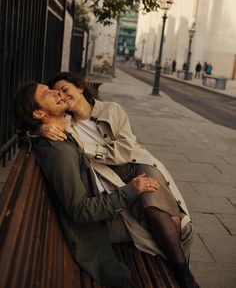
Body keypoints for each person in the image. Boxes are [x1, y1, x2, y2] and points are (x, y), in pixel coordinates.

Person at [41, 72, 199, 288]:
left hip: (137, 166)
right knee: (172, 222)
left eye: (65, 89)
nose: (62, 95)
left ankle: (183, 277)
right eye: (58, 93)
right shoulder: (68, 125)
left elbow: (125, 150)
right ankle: (183, 275)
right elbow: (32, 126)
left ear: (79, 87)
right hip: (115, 183)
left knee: (151, 193)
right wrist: (42, 127)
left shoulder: (112, 110)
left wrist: (86, 148)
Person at [13, 81, 161, 288]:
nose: (57, 92)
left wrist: (38, 130)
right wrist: (132, 189)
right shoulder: (60, 153)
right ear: (38, 114)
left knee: (160, 218)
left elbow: (24, 134)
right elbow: (81, 211)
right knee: (162, 224)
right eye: (47, 93)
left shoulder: (59, 135)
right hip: (94, 236)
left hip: (100, 220)